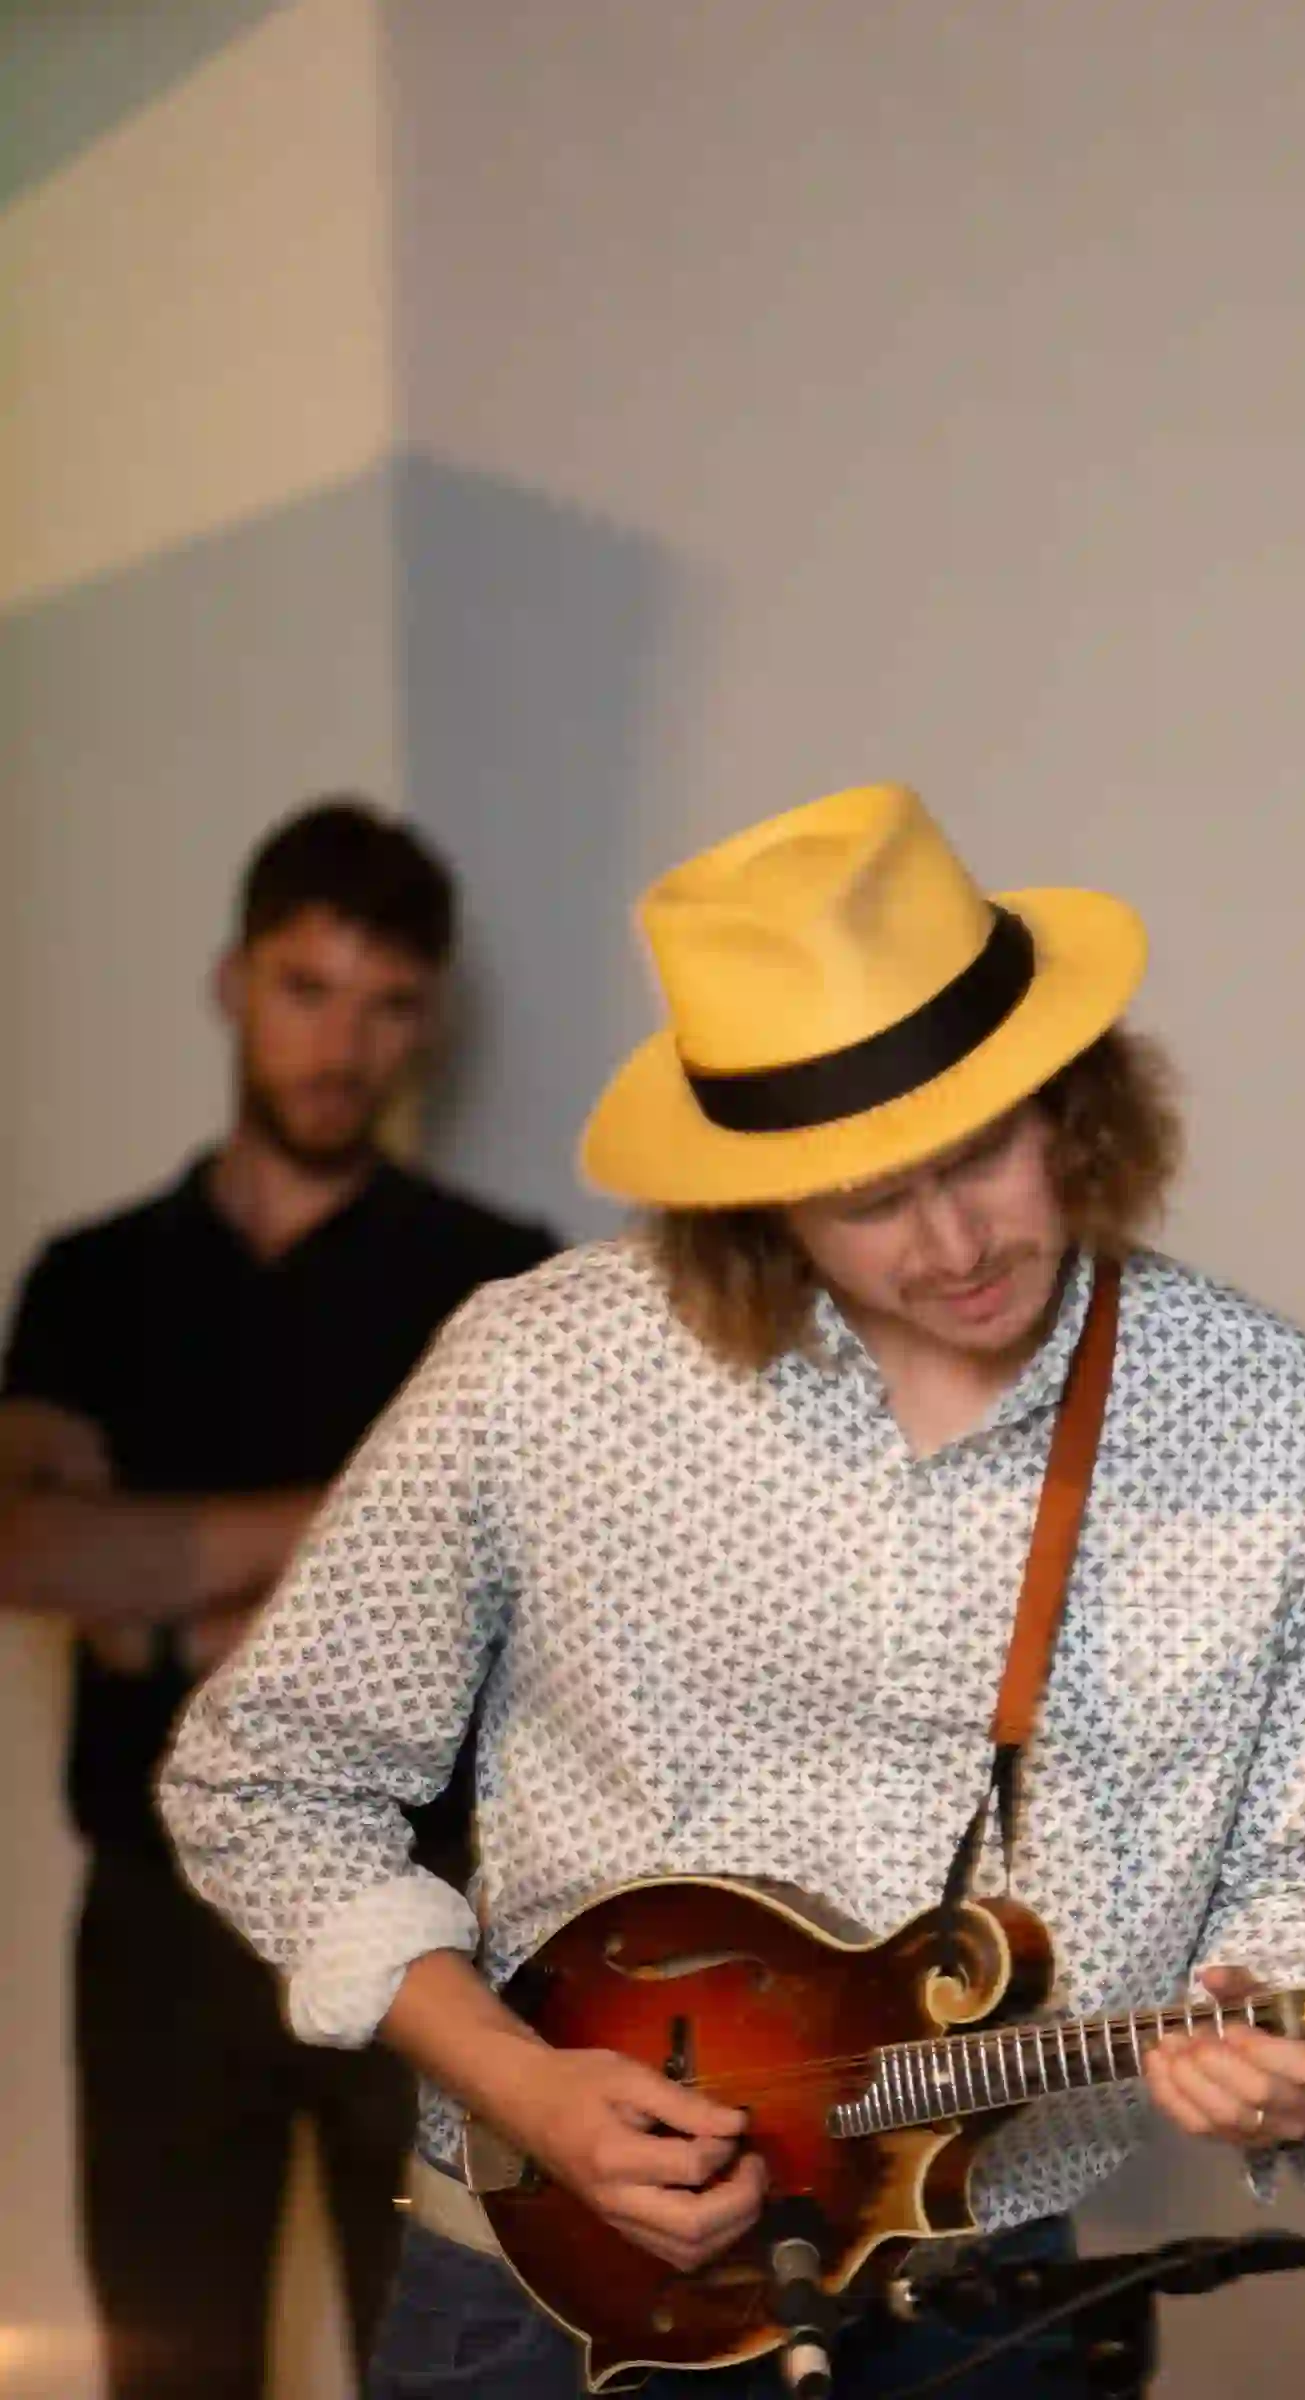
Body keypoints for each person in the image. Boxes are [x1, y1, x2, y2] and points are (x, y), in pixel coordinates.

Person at [161, 784, 1305, 2398]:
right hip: (550, 2295)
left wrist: (1293, 2050)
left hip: (982, 2300)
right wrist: (523, 2086)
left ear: (1071, 1104)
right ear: (751, 1199)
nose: (953, 1243)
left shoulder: (1270, 1416)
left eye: (985, 1153)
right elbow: (266, 1782)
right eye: (867, 1197)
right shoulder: (545, 1371)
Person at [0, 797, 555, 2399]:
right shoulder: (95, 1275)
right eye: (308, 990)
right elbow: (30, 1553)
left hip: (424, 1907)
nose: (342, 1046)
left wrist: (172, 1601)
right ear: (233, 982)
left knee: (446, 2359)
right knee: (168, 2366)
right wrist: (381, 1532)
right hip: (156, 1920)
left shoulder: (497, 1282)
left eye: (387, 1005)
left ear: (427, 1024)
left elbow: (510, 1594)